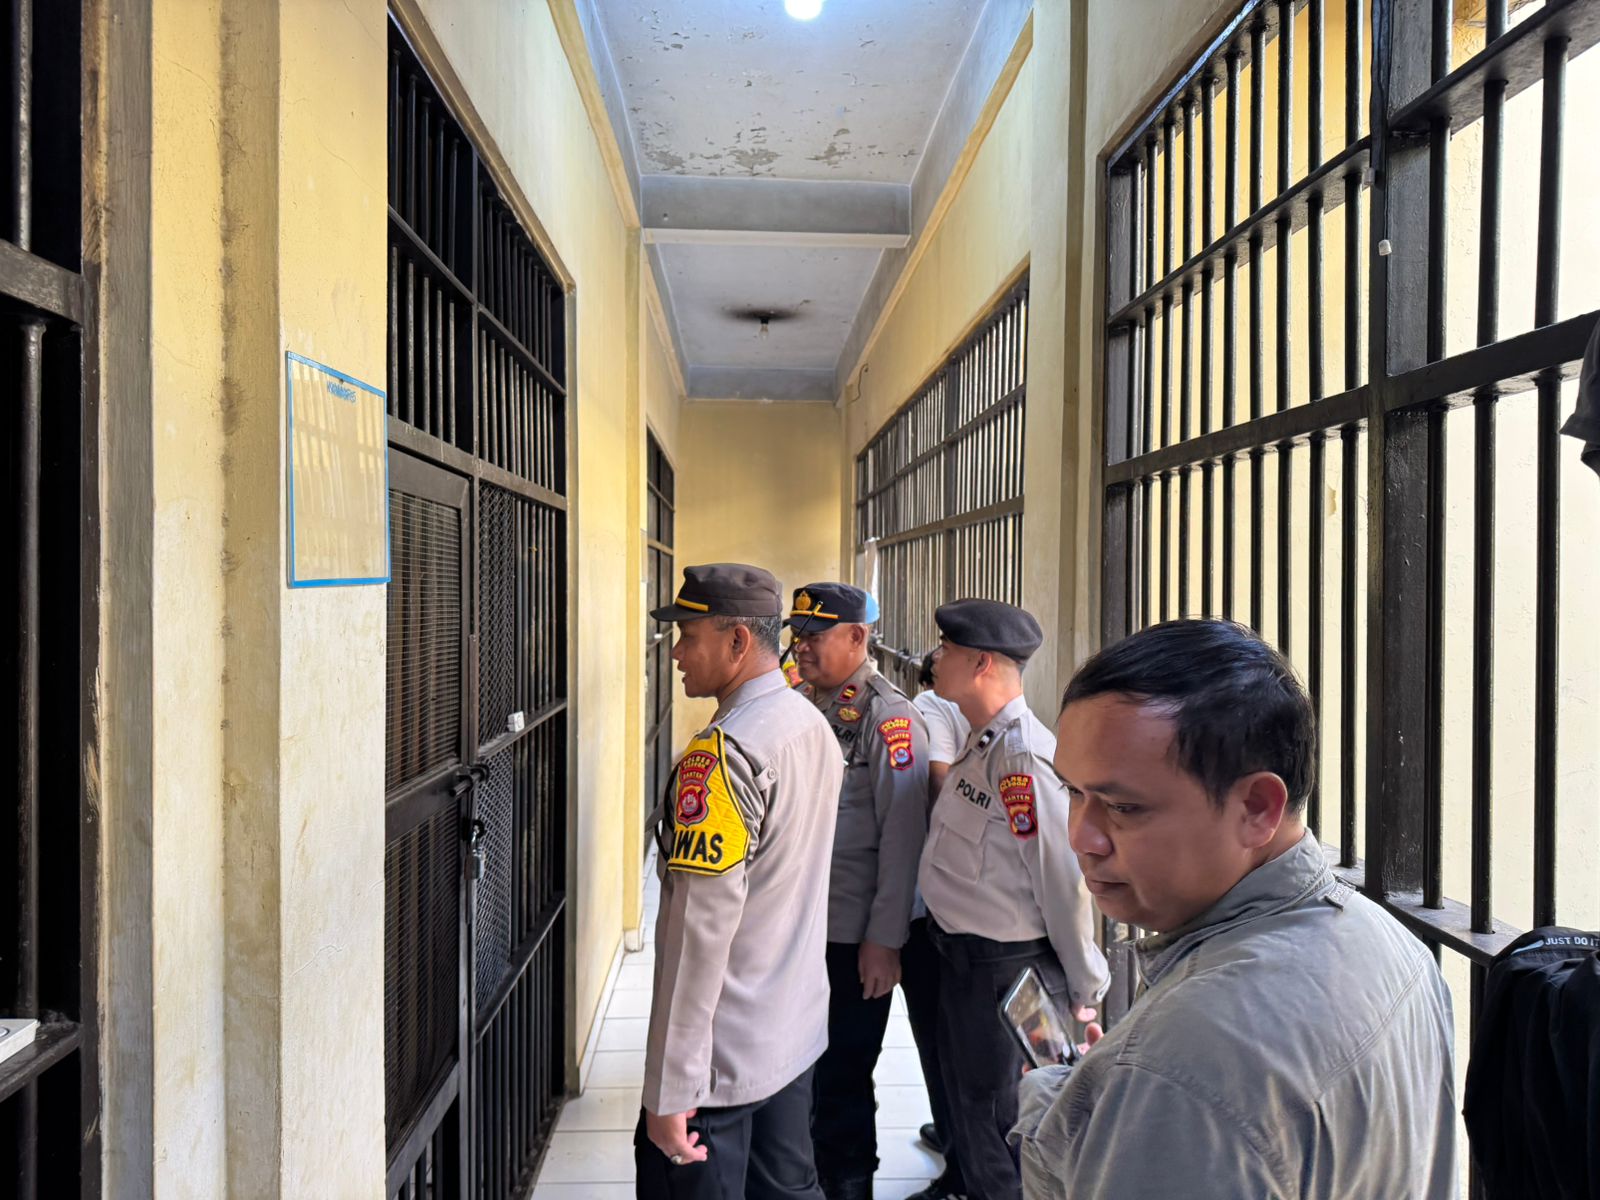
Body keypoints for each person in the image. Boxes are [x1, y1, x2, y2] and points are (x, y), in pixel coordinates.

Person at [1013, 618, 1459, 1199]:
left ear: (1257, 807)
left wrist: (1146, 1084)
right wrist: (1121, 1088)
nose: (1081, 836)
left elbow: (1205, 1080)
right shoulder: (1388, 941)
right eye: (1072, 792)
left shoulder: (1184, 1065)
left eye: (1122, 807)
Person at [635, 563, 846, 1200]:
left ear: (736, 642)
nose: (675, 653)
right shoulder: (809, 723)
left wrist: (672, 1087)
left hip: (719, 1064)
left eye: (688, 636)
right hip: (791, 1035)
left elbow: (698, 936)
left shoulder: (724, 756)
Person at [916, 599, 1108, 1200]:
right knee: (969, 1115)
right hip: (965, 962)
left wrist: (1084, 985)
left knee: (1002, 1129)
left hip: (1006, 973)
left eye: (947, 648)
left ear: (981, 663)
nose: (935, 658)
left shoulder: (1022, 757)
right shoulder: (985, 741)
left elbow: (1062, 880)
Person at [787, 583, 930, 1200]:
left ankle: (847, 1187)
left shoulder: (889, 720)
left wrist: (884, 941)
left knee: (842, 1078)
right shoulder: (802, 703)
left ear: (856, 637)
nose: (801, 647)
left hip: (851, 937)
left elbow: (903, 841)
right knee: (800, 1076)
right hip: (799, 928)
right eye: (797, 635)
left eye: (814, 636)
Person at [903, 652, 969, 1163]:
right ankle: (961, 1138)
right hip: (978, 906)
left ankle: (953, 1136)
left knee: (936, 1030)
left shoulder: (929, 706)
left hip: (934, 904)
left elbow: (938, 781)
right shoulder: (998, 724)